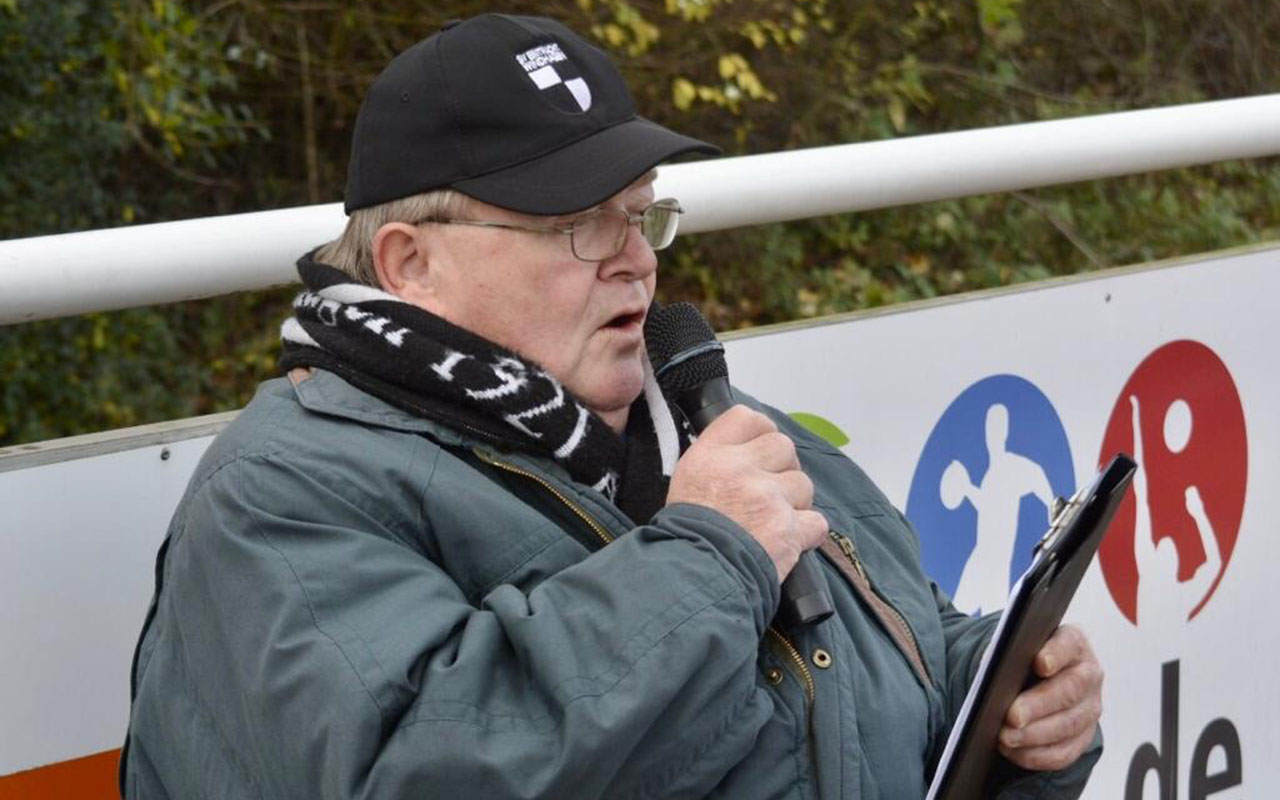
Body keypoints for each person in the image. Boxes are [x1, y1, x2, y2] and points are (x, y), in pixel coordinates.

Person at [121, 13, 1104, 799]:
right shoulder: (281, 496)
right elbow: (422, 769)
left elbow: (898, 662)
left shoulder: (703, 423)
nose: (634, 256)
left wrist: (1015, 709)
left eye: (637, 212)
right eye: (573, 224)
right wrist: (710, 559)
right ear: (409, 262)